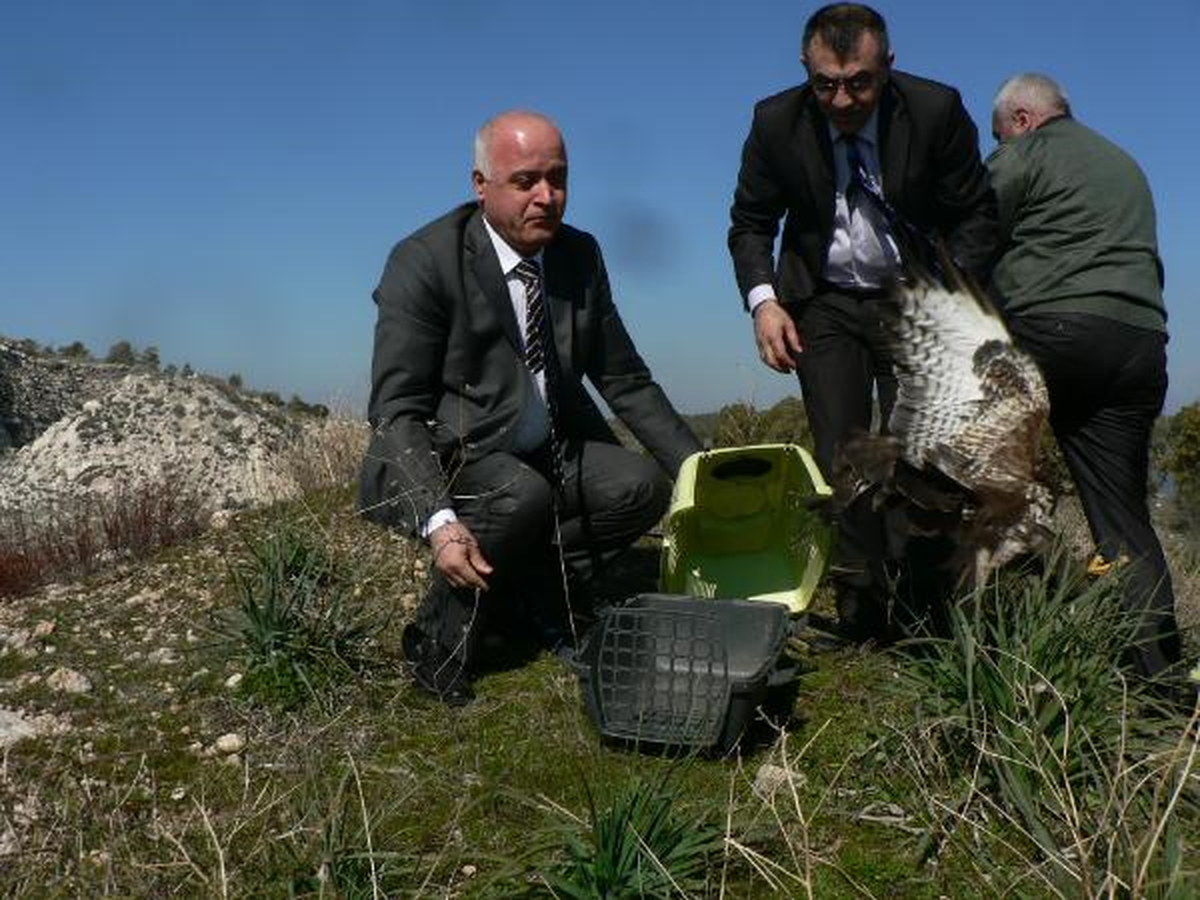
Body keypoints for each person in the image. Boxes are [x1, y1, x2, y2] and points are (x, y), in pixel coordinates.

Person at [359, 110, 701, 705]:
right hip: (454, 461)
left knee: (639, 486)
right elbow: (396, 408)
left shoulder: (577, 255)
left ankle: (532, 590)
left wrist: (705, 474)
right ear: (480, 184)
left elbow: (625, 379)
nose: (547, 196)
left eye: (558, 178)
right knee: (520, 495)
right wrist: (439, 520)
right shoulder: (424, 260)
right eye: (525, 182)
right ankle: (436, 641)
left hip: (547, 450)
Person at [727, 3, 1000, 640]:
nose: (842, 99)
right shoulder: (776, 122)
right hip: (823, 301)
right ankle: (862, 608)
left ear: (888, 68)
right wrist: (765, 301)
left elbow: (979, 218)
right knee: (843, 455)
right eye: (825, 84)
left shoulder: (934, 111)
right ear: (805, 70)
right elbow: (751, 223)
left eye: (859, 83)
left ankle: (925, 604)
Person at [987, 73, 1181, 680]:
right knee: (1124, 520)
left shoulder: (1030, 153)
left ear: (1021, 120)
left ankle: (973, 643)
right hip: (1139, 344)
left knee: (956, 471)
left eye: (1001, 135)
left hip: (1055, 334)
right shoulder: (1123, 162)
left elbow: (972, 227)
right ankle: (1157, 679)